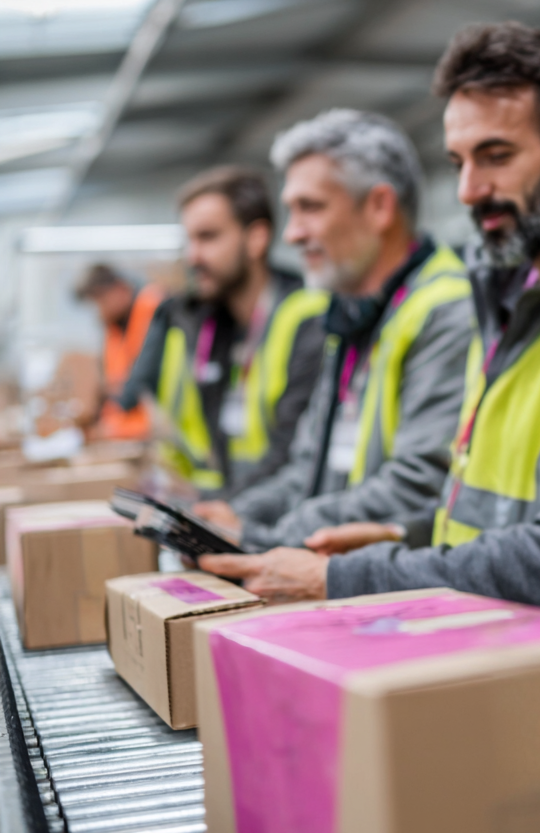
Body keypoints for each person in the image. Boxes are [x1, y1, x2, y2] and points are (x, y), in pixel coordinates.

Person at [201, 22, 540, 631]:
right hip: (496, 646)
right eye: (458, 162)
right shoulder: (512, 303)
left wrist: (352, 578)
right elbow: (499, 510)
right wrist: (406, 534)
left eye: (496, 157)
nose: (469, 190)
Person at [191, 110, 474, 551]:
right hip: (333, 569)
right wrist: (236, 515)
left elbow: (418, 485)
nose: (293, 234)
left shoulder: (445, 311)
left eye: (311, 208)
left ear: (379, 207)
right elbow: (305, 471)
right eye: (291, 211)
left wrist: (267, 539)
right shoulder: (351, 317)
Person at [122, 166, 327, 497]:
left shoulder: (309, 318)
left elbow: (292, 455)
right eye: (189, 240)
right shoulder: (209, 326)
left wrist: (218, 504)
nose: (193, 256)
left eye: (208, 237)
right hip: (233, 507)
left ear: (256, 238)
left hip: (276, 511)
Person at [75, 263, 163, 439]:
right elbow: (110, 383)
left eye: (101, 301)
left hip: (154, 428)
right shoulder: (115, 325)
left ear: (120, 288)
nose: (99, 311)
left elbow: (141, 384)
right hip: (126, 428)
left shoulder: (154, 308)